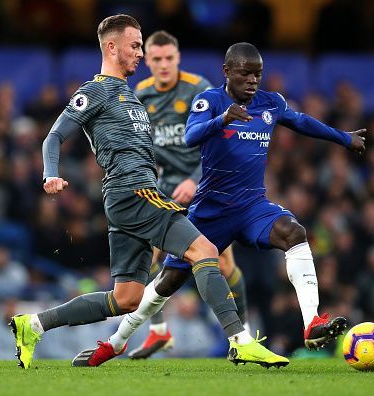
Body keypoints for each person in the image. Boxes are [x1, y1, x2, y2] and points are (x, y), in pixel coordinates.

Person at [10, 16, 287, 370]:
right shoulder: (95, 90)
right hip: (133, 191)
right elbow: (54, 136)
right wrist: (51, 173)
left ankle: (33, 325)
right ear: (111, 47)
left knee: (126, 299)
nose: (141, 53)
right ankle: (240, 340)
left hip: (130, 196)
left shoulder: (130, 93)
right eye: (135, 46)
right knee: (204, 249)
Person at [85, 42, 367, 364]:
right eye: (245, 74)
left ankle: (312, 322)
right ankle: (117, 341)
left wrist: (344, 138)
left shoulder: (270, 103)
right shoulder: (210, 101)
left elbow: (301, 121)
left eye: (257, 74)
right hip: (211, 211)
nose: (252, 81)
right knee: (167, 282)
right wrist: (221, 119)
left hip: (251, 207)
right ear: (227, 72)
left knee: (294, 232)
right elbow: (191, 136)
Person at [126, 30, 251, 359]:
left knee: (222, 263)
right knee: (147, 256)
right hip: (165, 190)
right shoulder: (141, 93)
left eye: (169, 58)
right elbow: (143, 143)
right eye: (156, 59)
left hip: (207, 184)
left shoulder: (200, 89)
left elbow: (224, 139)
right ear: (146, 61)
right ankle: (158, 332)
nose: (163, 65)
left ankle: (245, 334)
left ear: (178, 58)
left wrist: (195, 179)